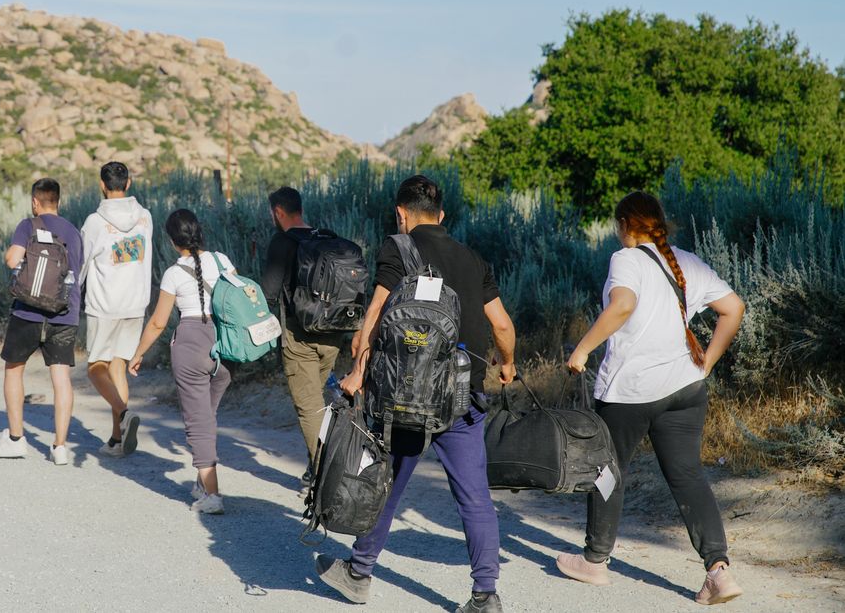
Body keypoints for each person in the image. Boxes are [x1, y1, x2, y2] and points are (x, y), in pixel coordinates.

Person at [320, 175, 516, 613]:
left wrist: (358, 371)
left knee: (388, 484)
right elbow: (502, 325)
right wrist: (508, 363)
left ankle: (358, 573)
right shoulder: (472, 258)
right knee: (475, 496)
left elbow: (374, 313)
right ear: (442, 215)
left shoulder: (398, 248)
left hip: (406, 396)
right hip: (463, 395)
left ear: (401, 214)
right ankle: (486, 595)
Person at [556, 191, 746, 605]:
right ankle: (718, 571)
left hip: (631, 391)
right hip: (685, 388)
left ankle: (594, 561)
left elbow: (622, 306)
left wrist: (583, 348)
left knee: (607, 469)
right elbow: (734, 308)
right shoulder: (687, 262)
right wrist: (708, 362)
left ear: (625, 225)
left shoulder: (625, 259)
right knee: (687, 474)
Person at [129, 209, 236, 515]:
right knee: (208, 416)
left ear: (173, 242)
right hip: (225, 345)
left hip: (191, 342)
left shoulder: (174, 274)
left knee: (198, 423)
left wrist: (138, 354)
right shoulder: (223, 261)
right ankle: (203, 484)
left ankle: (213, 495)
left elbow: (158, 322)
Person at [0, 178, 83, 466]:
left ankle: (16, 440)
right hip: (64, 313)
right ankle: (60, 446)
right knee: (61, 378)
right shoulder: (74, 232)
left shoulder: (28, 225)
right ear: (59, 202)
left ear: (35, 202)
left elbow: (11, 259)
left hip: (27, 311)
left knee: (14, 371)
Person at [260, 186, 346, 489]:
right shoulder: (328, 237)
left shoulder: (282, 242)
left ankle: (329, 478)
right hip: (334, 335)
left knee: (309, 407)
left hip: (299, 337)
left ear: (278, 212)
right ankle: (314, 471)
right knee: (318, 402)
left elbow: (269, 292)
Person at [79, 161, 152, 457]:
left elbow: (82, 264)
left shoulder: (95, 222)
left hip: (105, 305)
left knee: (96, 368)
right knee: (118, 366)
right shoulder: (145, 217)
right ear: (129, 183)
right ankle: (116, 439)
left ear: (101, 184)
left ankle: (124, 414)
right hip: (136, 303)